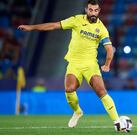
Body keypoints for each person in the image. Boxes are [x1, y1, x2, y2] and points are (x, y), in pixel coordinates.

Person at [18, 0, 120, 128]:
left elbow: (109, 49)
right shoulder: (76, 20)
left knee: (101, 91)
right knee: (69, 89)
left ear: (99, 11)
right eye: (90, 10)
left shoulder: (102, 29)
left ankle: (117, 122)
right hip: (74, 63)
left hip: (90, 64)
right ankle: (77, 111)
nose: (93, 12)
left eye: (95, 10)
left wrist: (107, 64)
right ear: (86, 9)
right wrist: (31, 27)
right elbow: (54, 25)